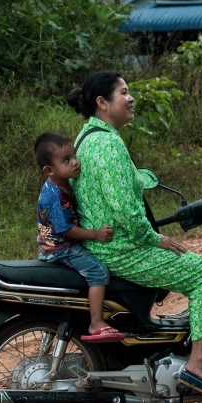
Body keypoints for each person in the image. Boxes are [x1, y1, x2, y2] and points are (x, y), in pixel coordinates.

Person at [65, 71, 202, 399]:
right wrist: (155, 238)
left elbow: (110, 187)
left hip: (99, 245)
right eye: (124, 92)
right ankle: (199, 365)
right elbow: (124, 210)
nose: (131, 98)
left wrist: (138, 178)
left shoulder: (86, 137)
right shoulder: (109, 143)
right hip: (121, 249)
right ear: (102, 102)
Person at [34, 132, 121, 343]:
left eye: (73, 156)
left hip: (56, 244)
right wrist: (95, 235)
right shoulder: (54, 195)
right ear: (49, 169)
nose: (75, 162)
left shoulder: (63, 183)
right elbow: (67, 229)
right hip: (62, 248)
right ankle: (96, 322)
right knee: (98, 272)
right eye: (66, 160)